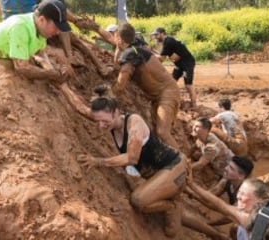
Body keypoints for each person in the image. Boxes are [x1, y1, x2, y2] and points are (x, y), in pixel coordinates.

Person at [77, 85, 188, 238]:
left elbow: (131, 158)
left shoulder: (134, 123)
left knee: (138, 200)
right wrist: (61, 84)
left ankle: (171, 207)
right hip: (157, 175)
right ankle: (217, 235)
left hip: (173, 166)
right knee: (175, 229)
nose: (100, 126)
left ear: (116, 112)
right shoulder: (107, 119)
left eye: (103, 121)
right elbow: (81, 109)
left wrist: (98, 161)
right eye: (98, 121)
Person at [112, 23, 181, 149]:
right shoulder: (134, 49)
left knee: (162, 132)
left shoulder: (130, 54)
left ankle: (183, 165)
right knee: (156, 131)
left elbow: (120, 85)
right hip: (158, 95)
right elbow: (117, 63)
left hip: (167, 92)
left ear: (120, 40)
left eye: (115, 37)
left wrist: (109, 95)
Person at [187, 177, 269, 240]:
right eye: (239, 192)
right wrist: (192, 186)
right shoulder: (245, 216)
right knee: (234, 228)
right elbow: (218, 205)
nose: (238, 196)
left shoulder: (255, 220)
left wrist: (192, 186)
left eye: (244, 194)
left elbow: (219, 205)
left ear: (260, 201)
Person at [151, 27, 197, 108]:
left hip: (187, 64)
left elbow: (161, 59)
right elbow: (163, 55)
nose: (155, 37)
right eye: (154, 35)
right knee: (171, 82)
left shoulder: (168, 42)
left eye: (157, 35)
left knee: (188, 85)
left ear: (162, 33)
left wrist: (149, 52)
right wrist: (152, 50)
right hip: (179, 64)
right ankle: (173, 99)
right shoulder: (168, 40)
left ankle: (194, 104)